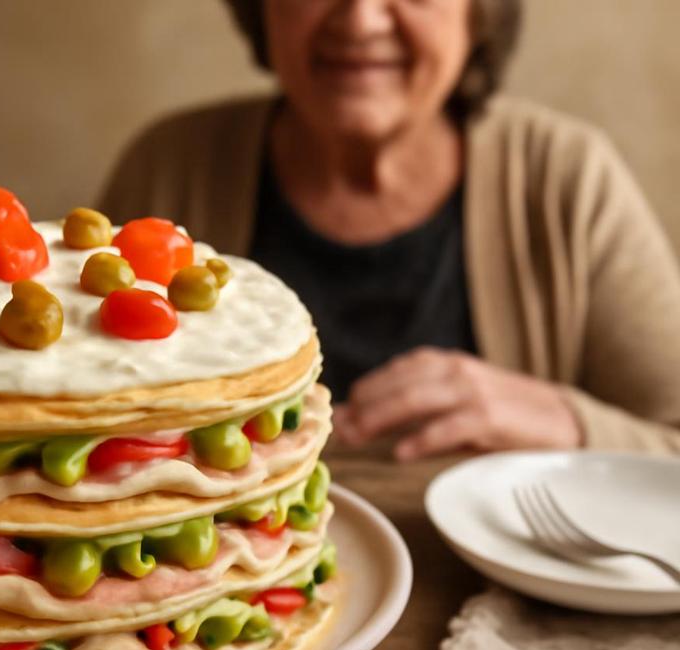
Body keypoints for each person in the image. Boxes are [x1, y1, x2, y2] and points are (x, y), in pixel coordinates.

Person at [99, 0, 680, 458]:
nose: (361, 18)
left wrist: (564, 419)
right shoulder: (168, 169)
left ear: (479, 11)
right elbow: (68, 424)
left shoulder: (566, 179)